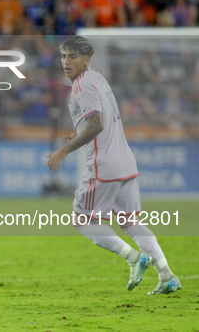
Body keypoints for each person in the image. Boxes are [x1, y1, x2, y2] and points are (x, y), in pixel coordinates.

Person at [46, 36, 180, 295]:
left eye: (72, 56)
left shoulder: (81, 87)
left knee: (82, 220)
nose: (66, 62)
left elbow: (97, 124)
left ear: (86, 60)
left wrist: (64, 150)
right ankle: (166, 275)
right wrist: (77, 136)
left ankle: (134, 258)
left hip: (103, 164)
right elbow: (98, 122)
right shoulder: (97, 78)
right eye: (63, 56)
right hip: (125, 160)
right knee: (130, 221)